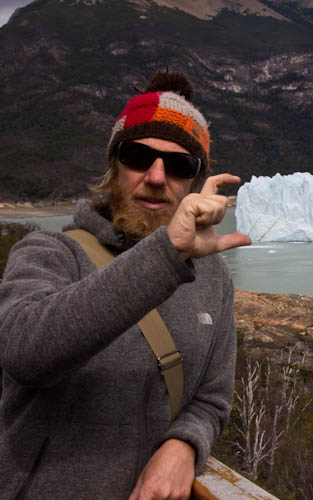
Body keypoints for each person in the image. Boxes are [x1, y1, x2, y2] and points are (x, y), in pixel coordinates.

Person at [0, 71, 251, 499]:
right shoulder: (50, 251)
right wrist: (166, 253)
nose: (156, 176)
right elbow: (27, 353)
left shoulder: (213, 280)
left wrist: (184, 443)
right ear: (114, 166)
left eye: (178, 165)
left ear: (194, 181)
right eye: (138, 156)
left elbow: (212, 400)